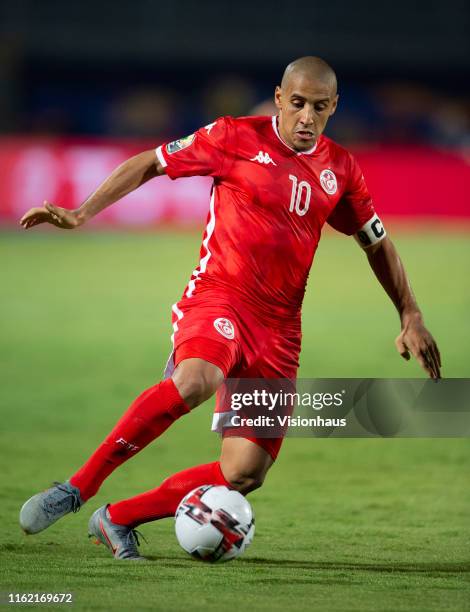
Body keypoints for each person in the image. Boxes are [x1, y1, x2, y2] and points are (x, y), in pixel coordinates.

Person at [18, 56, 441, 561]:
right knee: (196, 379)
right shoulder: (234, 136)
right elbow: (151, 161)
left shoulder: (342, 169)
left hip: (280, 331)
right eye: (298, 103)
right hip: (219, 297)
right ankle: (77, 488)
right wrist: (82, 211)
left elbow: (377, 243)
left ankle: (116, 518)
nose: (307, 116)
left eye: (319, 107)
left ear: (334, 107)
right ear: (280, 99)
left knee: (244, 473)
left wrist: (409, 313)